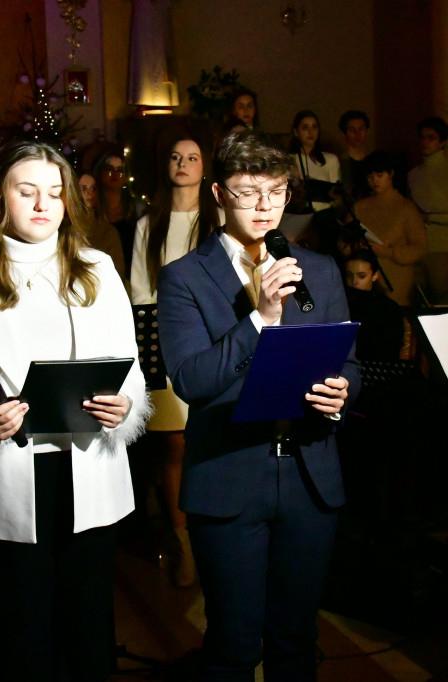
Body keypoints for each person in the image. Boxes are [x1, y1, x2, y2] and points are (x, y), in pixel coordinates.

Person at [0, 140, 149, 680]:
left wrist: (125, 406)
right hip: (11, 468)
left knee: (88, 625)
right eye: (26, 191)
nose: (42, 204)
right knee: (21, 628)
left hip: (90, 470)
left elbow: (133, 372)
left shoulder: (97, 266)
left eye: (54, 193)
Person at [157, 128, 359, 681]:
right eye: (249, 192)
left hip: (309, 476)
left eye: (277, 190)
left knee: (296, 639)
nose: (266, 205)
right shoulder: (184, 278)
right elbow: (192, 380)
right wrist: (260, 318)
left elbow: (351, 363)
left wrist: (341, 392)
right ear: (219, 194)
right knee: (233, 644)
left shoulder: (316, 268)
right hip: (228, 477)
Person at [130, 134, 221, 587]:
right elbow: (141, 291)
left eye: (192, 157)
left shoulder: (220, 219)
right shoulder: (150, 223)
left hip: (218, 346)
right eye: (174, 155)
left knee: (216, 442)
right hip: (166, 346)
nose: (182, 163)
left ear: (206, 168)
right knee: (175, 447)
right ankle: (183, 544)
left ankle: (217, 541)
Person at [407, 116, 448, 305]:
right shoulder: (414, 174)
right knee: (417, 301)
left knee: (441, 303)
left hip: (442, 249)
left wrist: (429, 217)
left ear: (442, 142)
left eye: (431, 137)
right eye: (422, 137)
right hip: (416, 247)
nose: (425, 142)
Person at [352, 150, 427, 307]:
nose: (375, 181)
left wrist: (389, 252)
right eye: (370, 177)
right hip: (362, 276)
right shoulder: (360, 207)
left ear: (391, 174)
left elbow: (419, 247)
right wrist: (356, 246)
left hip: (394, 276)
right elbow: (344, 239)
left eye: (380, 176)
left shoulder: (406, 208)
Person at [344, 249, 404, 362]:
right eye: (349, 275)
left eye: (361, 276)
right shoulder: (339, 302)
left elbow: (390, 352)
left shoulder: (389, 308)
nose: (354, 281)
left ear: (375, 275)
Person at [94, 150, 144, 275]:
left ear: (126, 177)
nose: (115, 174)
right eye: (109, 169)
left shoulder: (137, 209)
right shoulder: (91, 207)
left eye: (120, 170)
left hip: (131, 274)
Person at [78, 170, 126, 281]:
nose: (89, 193)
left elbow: (117, 272)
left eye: (93, 188)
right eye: (83, 188)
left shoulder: (107, 232)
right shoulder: (63, 229)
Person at [289, 109, 340, 213]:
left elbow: (337, 195)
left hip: (325, 215)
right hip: (299, 214)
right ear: (296, 132)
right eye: (305, 128)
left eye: (314, 127)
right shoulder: (289, 160)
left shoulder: (330, 160)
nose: (310, 132)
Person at [337, 110, 371, 201]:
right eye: (352, 130)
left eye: (361, 129)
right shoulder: (338, 164)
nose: (358, 134)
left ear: (367, 131)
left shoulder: (374, 162)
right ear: (344, 134)